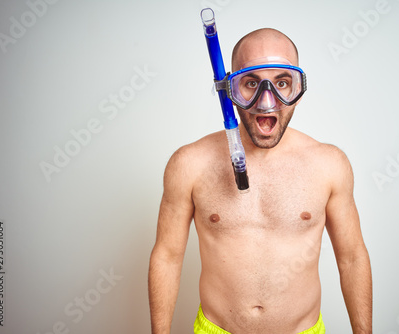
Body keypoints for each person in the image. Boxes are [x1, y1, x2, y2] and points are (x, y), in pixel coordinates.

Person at [148, 27, 372, 334]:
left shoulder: (329, 164)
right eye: (251, 83)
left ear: (298, 87)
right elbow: (168, 256)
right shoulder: (189, 164)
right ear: (229, 88)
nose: (268, 101)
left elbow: (351, 257)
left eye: (282, 83)